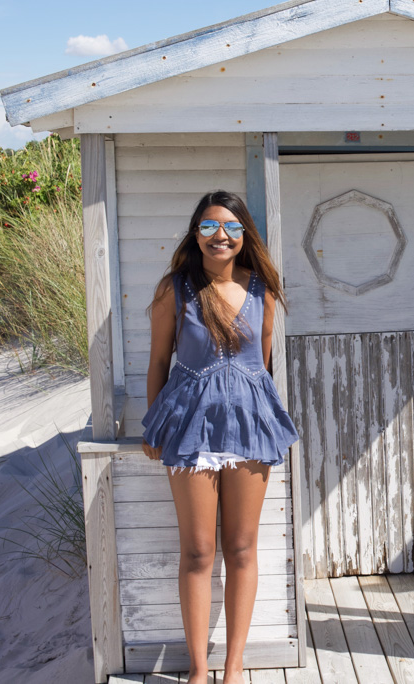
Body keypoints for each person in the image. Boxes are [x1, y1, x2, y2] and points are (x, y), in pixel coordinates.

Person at [141, 190, 299, 684]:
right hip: (189, 428)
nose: (220, 237)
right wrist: (153, 423)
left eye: (230, 228)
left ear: (244, 235)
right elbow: (159, 363)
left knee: (243, 548)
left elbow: (263, 365)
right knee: (197, 552)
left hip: (250, 428)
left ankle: (233, 669)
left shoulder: (263, 292)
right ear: (196, 235)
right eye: (209, 228)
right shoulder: (176, 290)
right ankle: (197, 670)